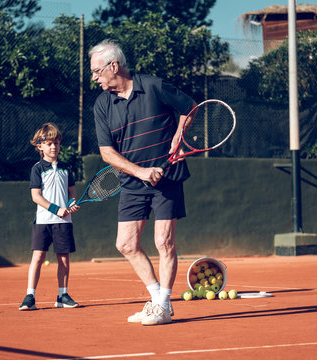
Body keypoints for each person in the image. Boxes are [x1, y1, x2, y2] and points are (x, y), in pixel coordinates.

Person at [89, 39, 196, 325]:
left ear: (114, 66)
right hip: (134, 181)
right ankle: (158, 297)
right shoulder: (102, 104)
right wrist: (140, 172)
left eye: (97, 72)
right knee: (125, 245)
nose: (95, 78)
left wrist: (178, 136)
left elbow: (189, 106)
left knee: (164, 241)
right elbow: (107, 152)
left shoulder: (153, 85)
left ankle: (161, 306)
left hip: (168, 176)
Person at [19, 123, 80, 311]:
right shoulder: (37, 168)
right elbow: (36, 196)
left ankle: (62, 295)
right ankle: (30, 296)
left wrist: (71, 204)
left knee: (63, 259)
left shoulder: (66, 168)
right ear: (40, 146)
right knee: (38, 257)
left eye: (56, 143)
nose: (54, 147)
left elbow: (71, 193)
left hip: (63, 222)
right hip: (44, 221)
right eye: (49, 143)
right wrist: (56, 209)